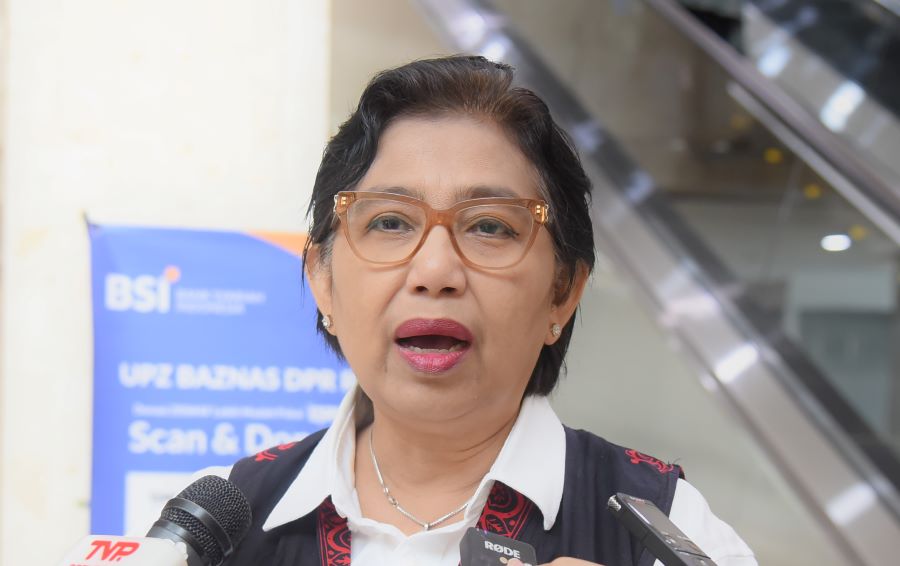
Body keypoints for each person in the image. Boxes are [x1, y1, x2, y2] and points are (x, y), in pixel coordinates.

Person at [221, 55, 756, 566]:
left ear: (563, 291)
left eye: (490, 226)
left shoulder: (669, 528)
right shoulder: (220, 524)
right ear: (323, 279)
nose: (435, 271)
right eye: (390, 222)